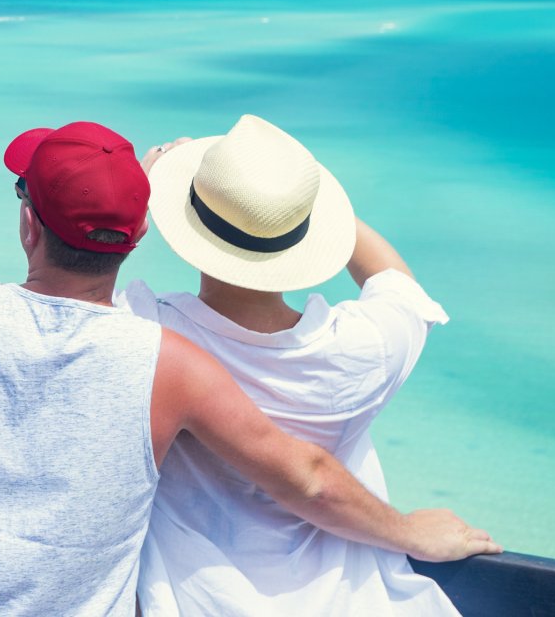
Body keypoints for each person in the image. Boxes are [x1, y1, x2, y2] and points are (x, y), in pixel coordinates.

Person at [0, 89, 498, 617]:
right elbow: (307, 476)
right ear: (142, 231)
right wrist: (412, 534)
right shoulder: (168, 363)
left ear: (28, 223)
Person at [127, 116, 464, 615]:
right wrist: (297, 201)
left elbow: (79, 286)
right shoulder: (366, 346)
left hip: (196, 600)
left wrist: (137, 191)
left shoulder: (147, 334)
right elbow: (397, 283)